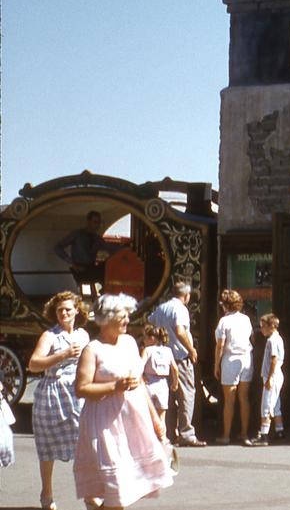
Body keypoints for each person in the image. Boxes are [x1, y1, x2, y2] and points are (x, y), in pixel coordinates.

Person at [73, 294, 174, 509]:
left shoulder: (129, 342)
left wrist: (155, 419)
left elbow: (140, 383)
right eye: (123, 316)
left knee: (126, 488)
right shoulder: (93, 349)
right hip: (105, 425)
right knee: (116, 490)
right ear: (107, 318)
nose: (128, 320)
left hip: (132, 424)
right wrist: (115, 387)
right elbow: (81, 389)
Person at [28, 291, 91, 510]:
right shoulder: (50, 336)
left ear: (77, 311)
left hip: (77, 393)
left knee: (85, 444)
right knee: (48, 447)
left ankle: (89, 493)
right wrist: (62, 355)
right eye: (59, 310)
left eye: (67, 309)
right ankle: (47, 493)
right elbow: (34, 364)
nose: (63, 313)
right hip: (52, 394)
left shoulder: (83, 335)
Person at [146, 282, 205, 447]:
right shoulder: (181, 309)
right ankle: (186, 433)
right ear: (186, 296)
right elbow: (180, 330)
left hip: (163, 355)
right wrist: (191, 349)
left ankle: (169, 431)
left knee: (168, 397)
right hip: (179, 356)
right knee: (186, 394)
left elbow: (149, 323)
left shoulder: (162, 307)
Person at [214, 289, 254, 444]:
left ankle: (226, 435)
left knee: (229, 400)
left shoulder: (224, 321)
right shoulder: (246, 319)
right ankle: (244, 433)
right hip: (246, 358)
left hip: (230, 359)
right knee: (244, 398)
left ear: (225, 305)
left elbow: (220, 345)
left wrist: (216, 364)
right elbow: (252, 337)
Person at [53, 211, 121, 291]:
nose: (97, 225)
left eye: (99, 223)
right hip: (80, 270)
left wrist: (124, 250)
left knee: (107, 266)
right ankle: (105, 291)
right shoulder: (77, 234)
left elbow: (109, 248)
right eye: (95, 222)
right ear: (88, 222)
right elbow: (57, 247)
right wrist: (72, 263)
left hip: (92, 268)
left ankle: (107, 292)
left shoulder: (97, 238)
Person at [247, 314, 285, 446]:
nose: (261, 329)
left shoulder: (272, 341)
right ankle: (279, 429)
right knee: (276, 404)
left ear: (271, 326)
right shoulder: (277, 338)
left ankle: (264, 434)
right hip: (276, 375)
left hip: (272, 376)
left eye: (263, 326)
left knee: (266, 405)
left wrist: (269, 377)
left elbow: (274, 359)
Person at [140, 325, 179, 433]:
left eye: (146, 338)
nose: (144, 340)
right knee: (162, 416)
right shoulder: (168, 350)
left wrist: (141, 377)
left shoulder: (148, 350)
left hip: (149, 382)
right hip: (162, 383)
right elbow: (175, 368)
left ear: (152, 338)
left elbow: (140, 365)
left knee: (148, 415)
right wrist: (175, 383)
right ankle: (162, 438)